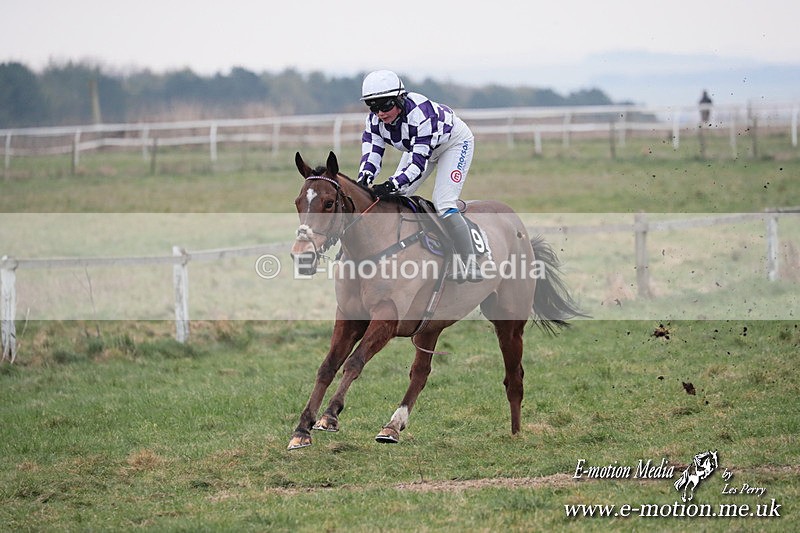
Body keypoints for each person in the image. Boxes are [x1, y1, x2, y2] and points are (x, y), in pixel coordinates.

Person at [357, 70, 482, 282]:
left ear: (400, 99)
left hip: (453, 145)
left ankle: (471, 264)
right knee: (397, 197)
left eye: (385, 106)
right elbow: (371, 155)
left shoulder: (421, 115)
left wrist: (390, 184)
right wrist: (364, 179)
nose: (380, 113)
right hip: (418, 147)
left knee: (443, 203)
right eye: (373, 107)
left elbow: (417, 164)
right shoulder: (374, 121)